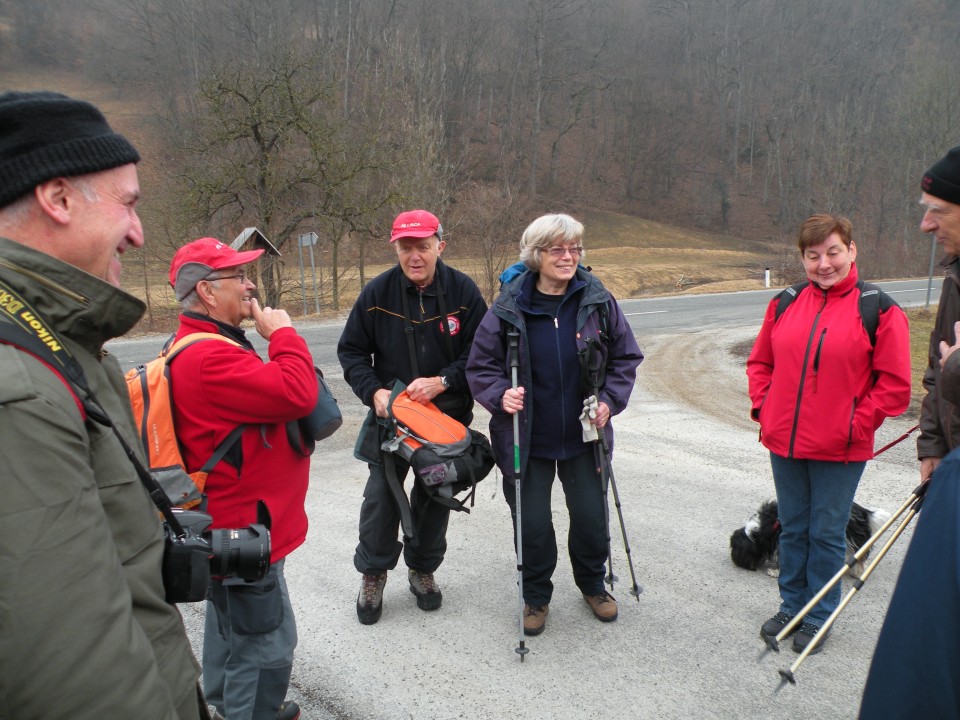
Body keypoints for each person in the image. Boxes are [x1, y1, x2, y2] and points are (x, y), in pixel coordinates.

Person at [0, 91, 205, 718]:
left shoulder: (57, 341)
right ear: (57, 199)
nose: (139, 233)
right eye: (128, 205)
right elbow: (70, 667)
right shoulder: (19, 384)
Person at [466, 213, 643, 637]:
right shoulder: (509, 307)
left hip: (585, 435)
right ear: (536, 254)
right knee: (532, 522)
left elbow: (625, 358)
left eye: (574, 248)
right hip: (525, 437)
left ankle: (593, 585)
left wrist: (609, 401)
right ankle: (535, 596)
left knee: (589, 516)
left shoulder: (597, 301)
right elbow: (480, 366)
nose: (568, 257)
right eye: (557, 249)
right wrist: (498, 395)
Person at [746, 213, 911, 655]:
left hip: (841, 448)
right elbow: (761, 363)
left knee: (826, 531)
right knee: (794, 527)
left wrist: (856, 424)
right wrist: (766, 408)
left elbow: (894, 386)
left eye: (833, 252)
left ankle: (819, 614)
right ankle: (790, 607)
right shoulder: (784, 302)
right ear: (802, 258)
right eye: (813, 255)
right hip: (785, 441)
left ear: (852, 251)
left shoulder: (880, 309)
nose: (824, 263)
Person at [168, 237, 318, 720]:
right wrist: (283, 335)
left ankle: (226, 704)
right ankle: (252, 712)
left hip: (235, 529)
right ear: (208, 293)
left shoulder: (202, 343)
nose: (251, 284)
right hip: (244, 535)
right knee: (266, 643)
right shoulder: (209, 357)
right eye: (239, 276)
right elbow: (298, 393)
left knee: (231, 625)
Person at [337, 209, 487, 625]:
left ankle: (423, 570)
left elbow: (481, 354)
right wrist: (374, 391)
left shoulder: (463, 292)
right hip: (391, 422)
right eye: (406, 247)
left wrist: (444, 380)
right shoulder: (377, 294)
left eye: (423, 246)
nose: (414, 255)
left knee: (435, 499)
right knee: (380, 500)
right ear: (396, 249)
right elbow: (351, 352)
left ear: (441, 243)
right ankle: (373, 573)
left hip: (445, 420)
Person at [916, 145, 960, 481]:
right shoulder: (955, 276)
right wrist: (932, 445)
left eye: (938, 211)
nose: (925, 225)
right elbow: (936, 367)